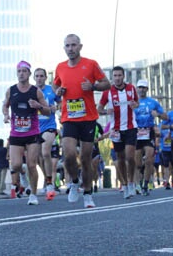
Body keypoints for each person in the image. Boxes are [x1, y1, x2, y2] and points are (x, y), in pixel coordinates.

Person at [53, 34, 110, 209]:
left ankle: (87, 194)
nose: (70, 48)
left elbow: (106, 84)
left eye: (73, 45)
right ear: (64, 48)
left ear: (80, 46)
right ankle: (74, 182)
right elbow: (55, 86)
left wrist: (92, 86)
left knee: (85, 158)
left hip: (88, 118)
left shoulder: (91, 64)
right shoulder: (60, 67)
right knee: (69, 155)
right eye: (67, 46)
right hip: (69, 118)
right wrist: (59, 91)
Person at [2, 60, 51, 206]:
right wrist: (5, 115)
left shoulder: (36, 91)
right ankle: (22, 175)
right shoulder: (11, 90)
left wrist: (39, 106)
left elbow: (47, 111)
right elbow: (5, 105)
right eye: (19, 71)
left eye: (24, 71)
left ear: (29, 74)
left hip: (32, 133)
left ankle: (33, 194)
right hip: (16, 133)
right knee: (16, 165)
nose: (21, 74)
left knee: (31, 164)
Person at [98, 66, 139, 199]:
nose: (117, 78)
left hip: (130, 126)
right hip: (115, 129)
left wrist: (135, 105)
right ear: (112, 77)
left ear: (123, 76)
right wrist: (105, 111)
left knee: (130, 156)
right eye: (115, 75)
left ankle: (132, 182)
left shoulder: (131, 88)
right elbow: (99, 109)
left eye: (119, 75)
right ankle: (125, 184)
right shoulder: (107, 91)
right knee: (120, 158)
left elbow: (137, 102)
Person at [133, 79, 167, 196]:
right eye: (140, 87)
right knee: (137, 163)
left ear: (147, 89)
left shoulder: (153, 102)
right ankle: (137, 183)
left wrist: (157, 114)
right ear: (136, 89)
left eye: (143, 88)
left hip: (149, 131)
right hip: (136, 132)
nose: (141, 90)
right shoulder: (132, 102)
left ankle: (145, 184)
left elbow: (165, 116)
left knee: (149, 160)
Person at [32, 67, 59, 199]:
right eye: (37, 76)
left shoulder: (51, 90)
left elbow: (61, 102)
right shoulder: (30, 91)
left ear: (45, 77)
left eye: (41, 76)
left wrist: (56, 107)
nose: (39, 78)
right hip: (34, 128)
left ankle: (50, 184)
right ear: (34, 78)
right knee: (38, 158)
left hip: (50, 126)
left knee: (45, 152)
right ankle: (48, 179)